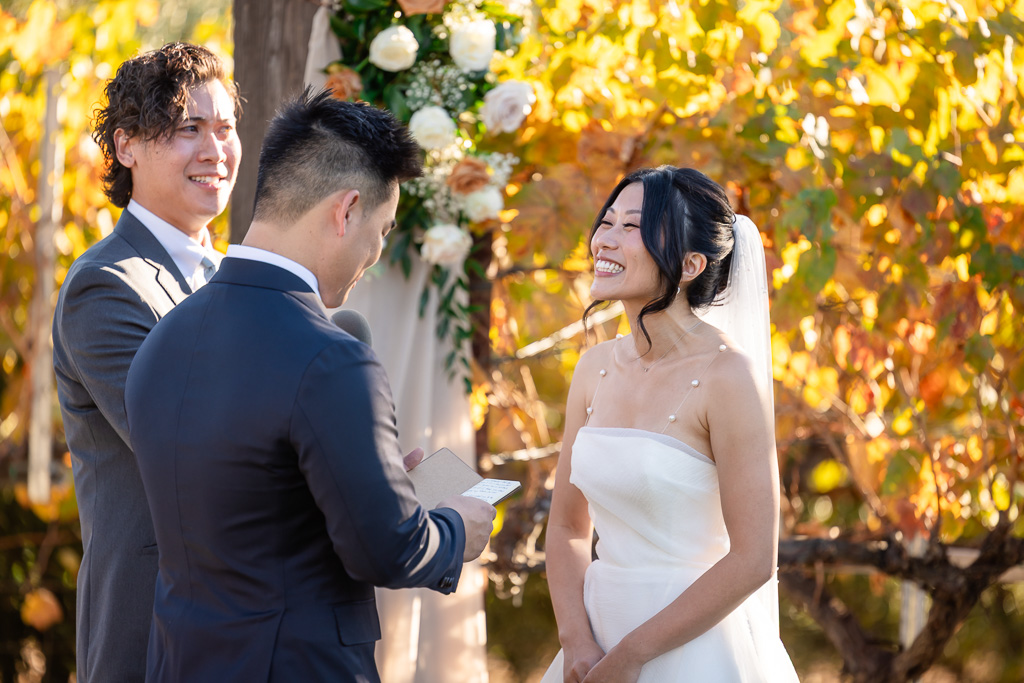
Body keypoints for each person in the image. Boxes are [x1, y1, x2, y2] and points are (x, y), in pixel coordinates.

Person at [122, 89, 496, 682]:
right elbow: (386, 549)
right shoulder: (332, 358)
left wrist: (365, 476)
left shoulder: (163, 341)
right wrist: (456, 527)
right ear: (346, 211)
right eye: (383, 228)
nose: (375, 252)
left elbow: (245, 501)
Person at [541, 166, 799, 682]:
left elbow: (754, 559)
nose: (604, 241)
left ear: (689, 265)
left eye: (632, 228)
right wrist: (577, 642)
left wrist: (634, 656)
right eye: (607, 222)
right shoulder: (593, 369)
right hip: (593, 643)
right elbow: (569, 526)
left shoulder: (728, 377)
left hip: (693, 648)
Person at [51, 42, 240, 682]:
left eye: (225, 128)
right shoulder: (104, 286)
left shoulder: (239, 279)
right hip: (152, 628)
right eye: (190, 129)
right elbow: (188, 450)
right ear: (127, 146)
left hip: (250, 623)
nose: (215, 150)